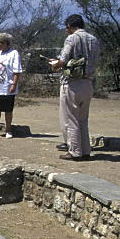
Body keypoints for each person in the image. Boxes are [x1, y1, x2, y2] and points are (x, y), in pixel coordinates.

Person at [48, 14, 100, 160]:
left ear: (70, 26)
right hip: (88, 83)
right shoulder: (94, 40)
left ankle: (75, 151)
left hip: (72, 83)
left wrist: (55, 64)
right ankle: (85, 150)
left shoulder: (72, 38)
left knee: (70, 118)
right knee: (83, 119)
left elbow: (63, 60)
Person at [0, 33, 23, 139]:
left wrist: (13, 84)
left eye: (0, 43)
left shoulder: (14, 53)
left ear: (6, 43)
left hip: (7, 86)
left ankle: (8, 130)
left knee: (7, 110)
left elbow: (17, 71)